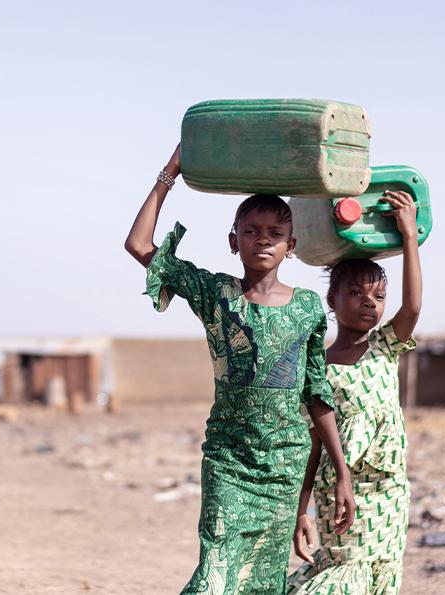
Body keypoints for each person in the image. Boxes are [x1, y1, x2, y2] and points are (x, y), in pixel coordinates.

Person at [125, 145, 355, 594]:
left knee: (261, 584)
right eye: (250, 231)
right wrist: (169, 174)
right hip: (229, 462)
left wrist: (341, 473)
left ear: (291, 246)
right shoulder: (215, 293)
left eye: (275, 232)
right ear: (234, 242)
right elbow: (138, 245)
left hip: (283, 468)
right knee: (214, 577)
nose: (263, 239)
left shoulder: (308, 308)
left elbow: (316, 393)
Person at [287, 189, 423, 595]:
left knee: (380, 574)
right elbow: (314, 442)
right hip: (342, 490)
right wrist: (302, 509)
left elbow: (413, 308)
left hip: (390, 490)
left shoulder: (385, 346)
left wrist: (410, 237)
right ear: (332, 299)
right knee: (345, 573)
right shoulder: (318, 366)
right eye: (356, 294)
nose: (369, 303)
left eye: (378, 296)